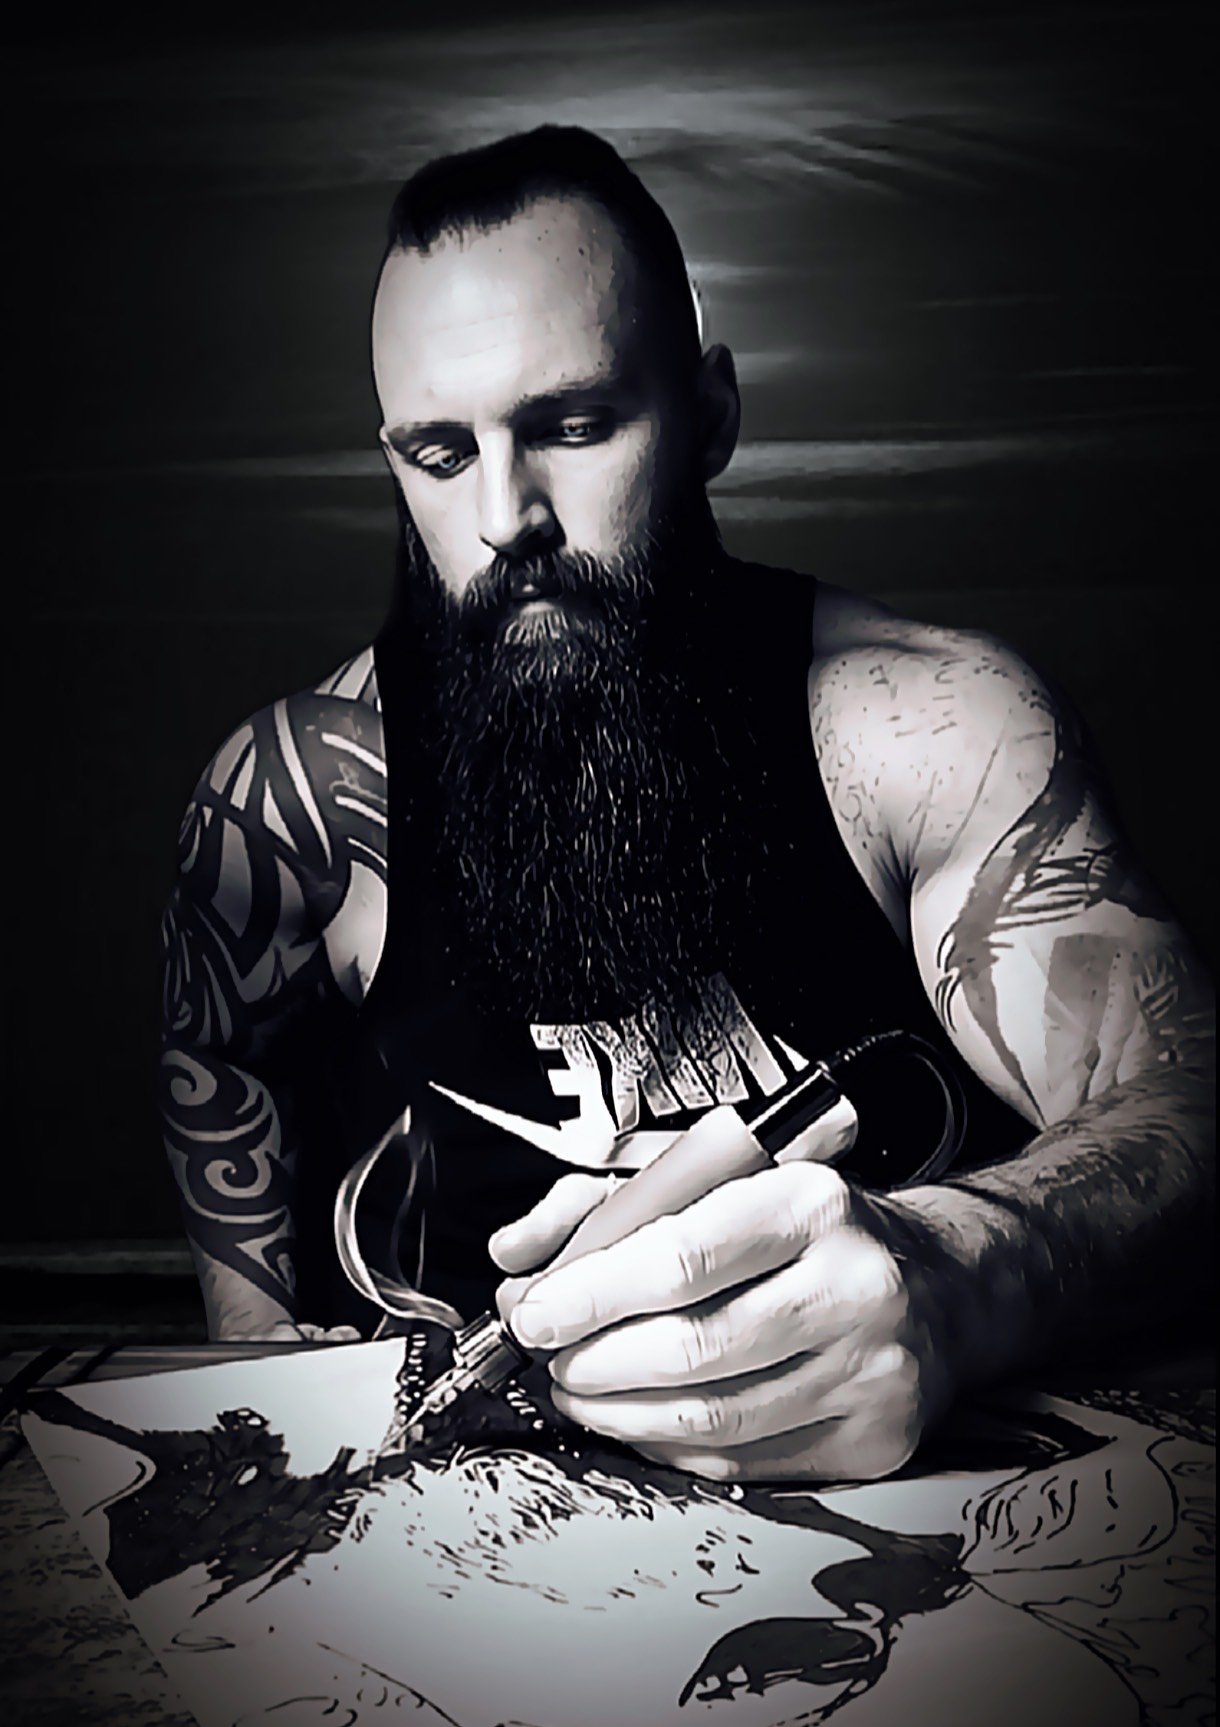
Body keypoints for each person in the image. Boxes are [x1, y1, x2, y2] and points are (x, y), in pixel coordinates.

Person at [159, 126, 1213, 1484]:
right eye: (437, 453)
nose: (504, 516)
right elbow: (221, 1057)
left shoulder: (921, 729)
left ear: (711, 413)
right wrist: (261, 1354)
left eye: (573, 425)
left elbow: (1186, 1097)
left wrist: (965, 1270)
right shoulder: (300, 798)